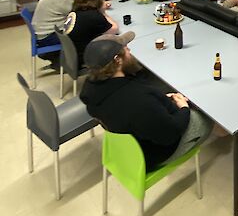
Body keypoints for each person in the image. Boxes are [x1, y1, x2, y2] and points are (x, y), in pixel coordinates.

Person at [80, 33, 216, 171]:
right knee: (208, 116)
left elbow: (133, 109)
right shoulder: (138, 99)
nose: (129, 50)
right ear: (117, 60)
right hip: (152, 154)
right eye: (126, 48)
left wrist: (159, 101)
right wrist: (184, 108)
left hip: (131, 141)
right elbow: (170, 134)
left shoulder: (90, 88)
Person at [31, 0, 87, 68]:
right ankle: (77, 63)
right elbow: (83, 13)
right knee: (87, 32)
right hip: (48, 37)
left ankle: (62, 61)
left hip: (42, 33)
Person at [64, 0, 119, 68]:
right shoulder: (93, 16)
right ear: (96, 0)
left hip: (73, 56)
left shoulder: (75, 11)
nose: (103, 0)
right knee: (120, 45)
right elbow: (115, 29)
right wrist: (103, 12)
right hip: (87, 57)